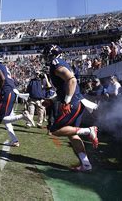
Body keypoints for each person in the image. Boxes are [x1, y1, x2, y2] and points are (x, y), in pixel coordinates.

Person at [42, 44, 99, 172]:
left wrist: (67, 101)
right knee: (73, 135)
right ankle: (86, 165)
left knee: (55, 130)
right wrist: (52, 100)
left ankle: (88, 131)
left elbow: (72, 81)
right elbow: (65, 87)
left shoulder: (56, 63)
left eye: (47, 55)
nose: (46, 57)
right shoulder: (60, 63)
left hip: (73, 102)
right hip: (77, 101)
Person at [0, 53, 35, 147]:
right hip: (11, 91)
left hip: (7, 91)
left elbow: (2, 79)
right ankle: (14, 140)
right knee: (8, 118)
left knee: (2, 119)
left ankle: (23, 116)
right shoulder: (4, 66)